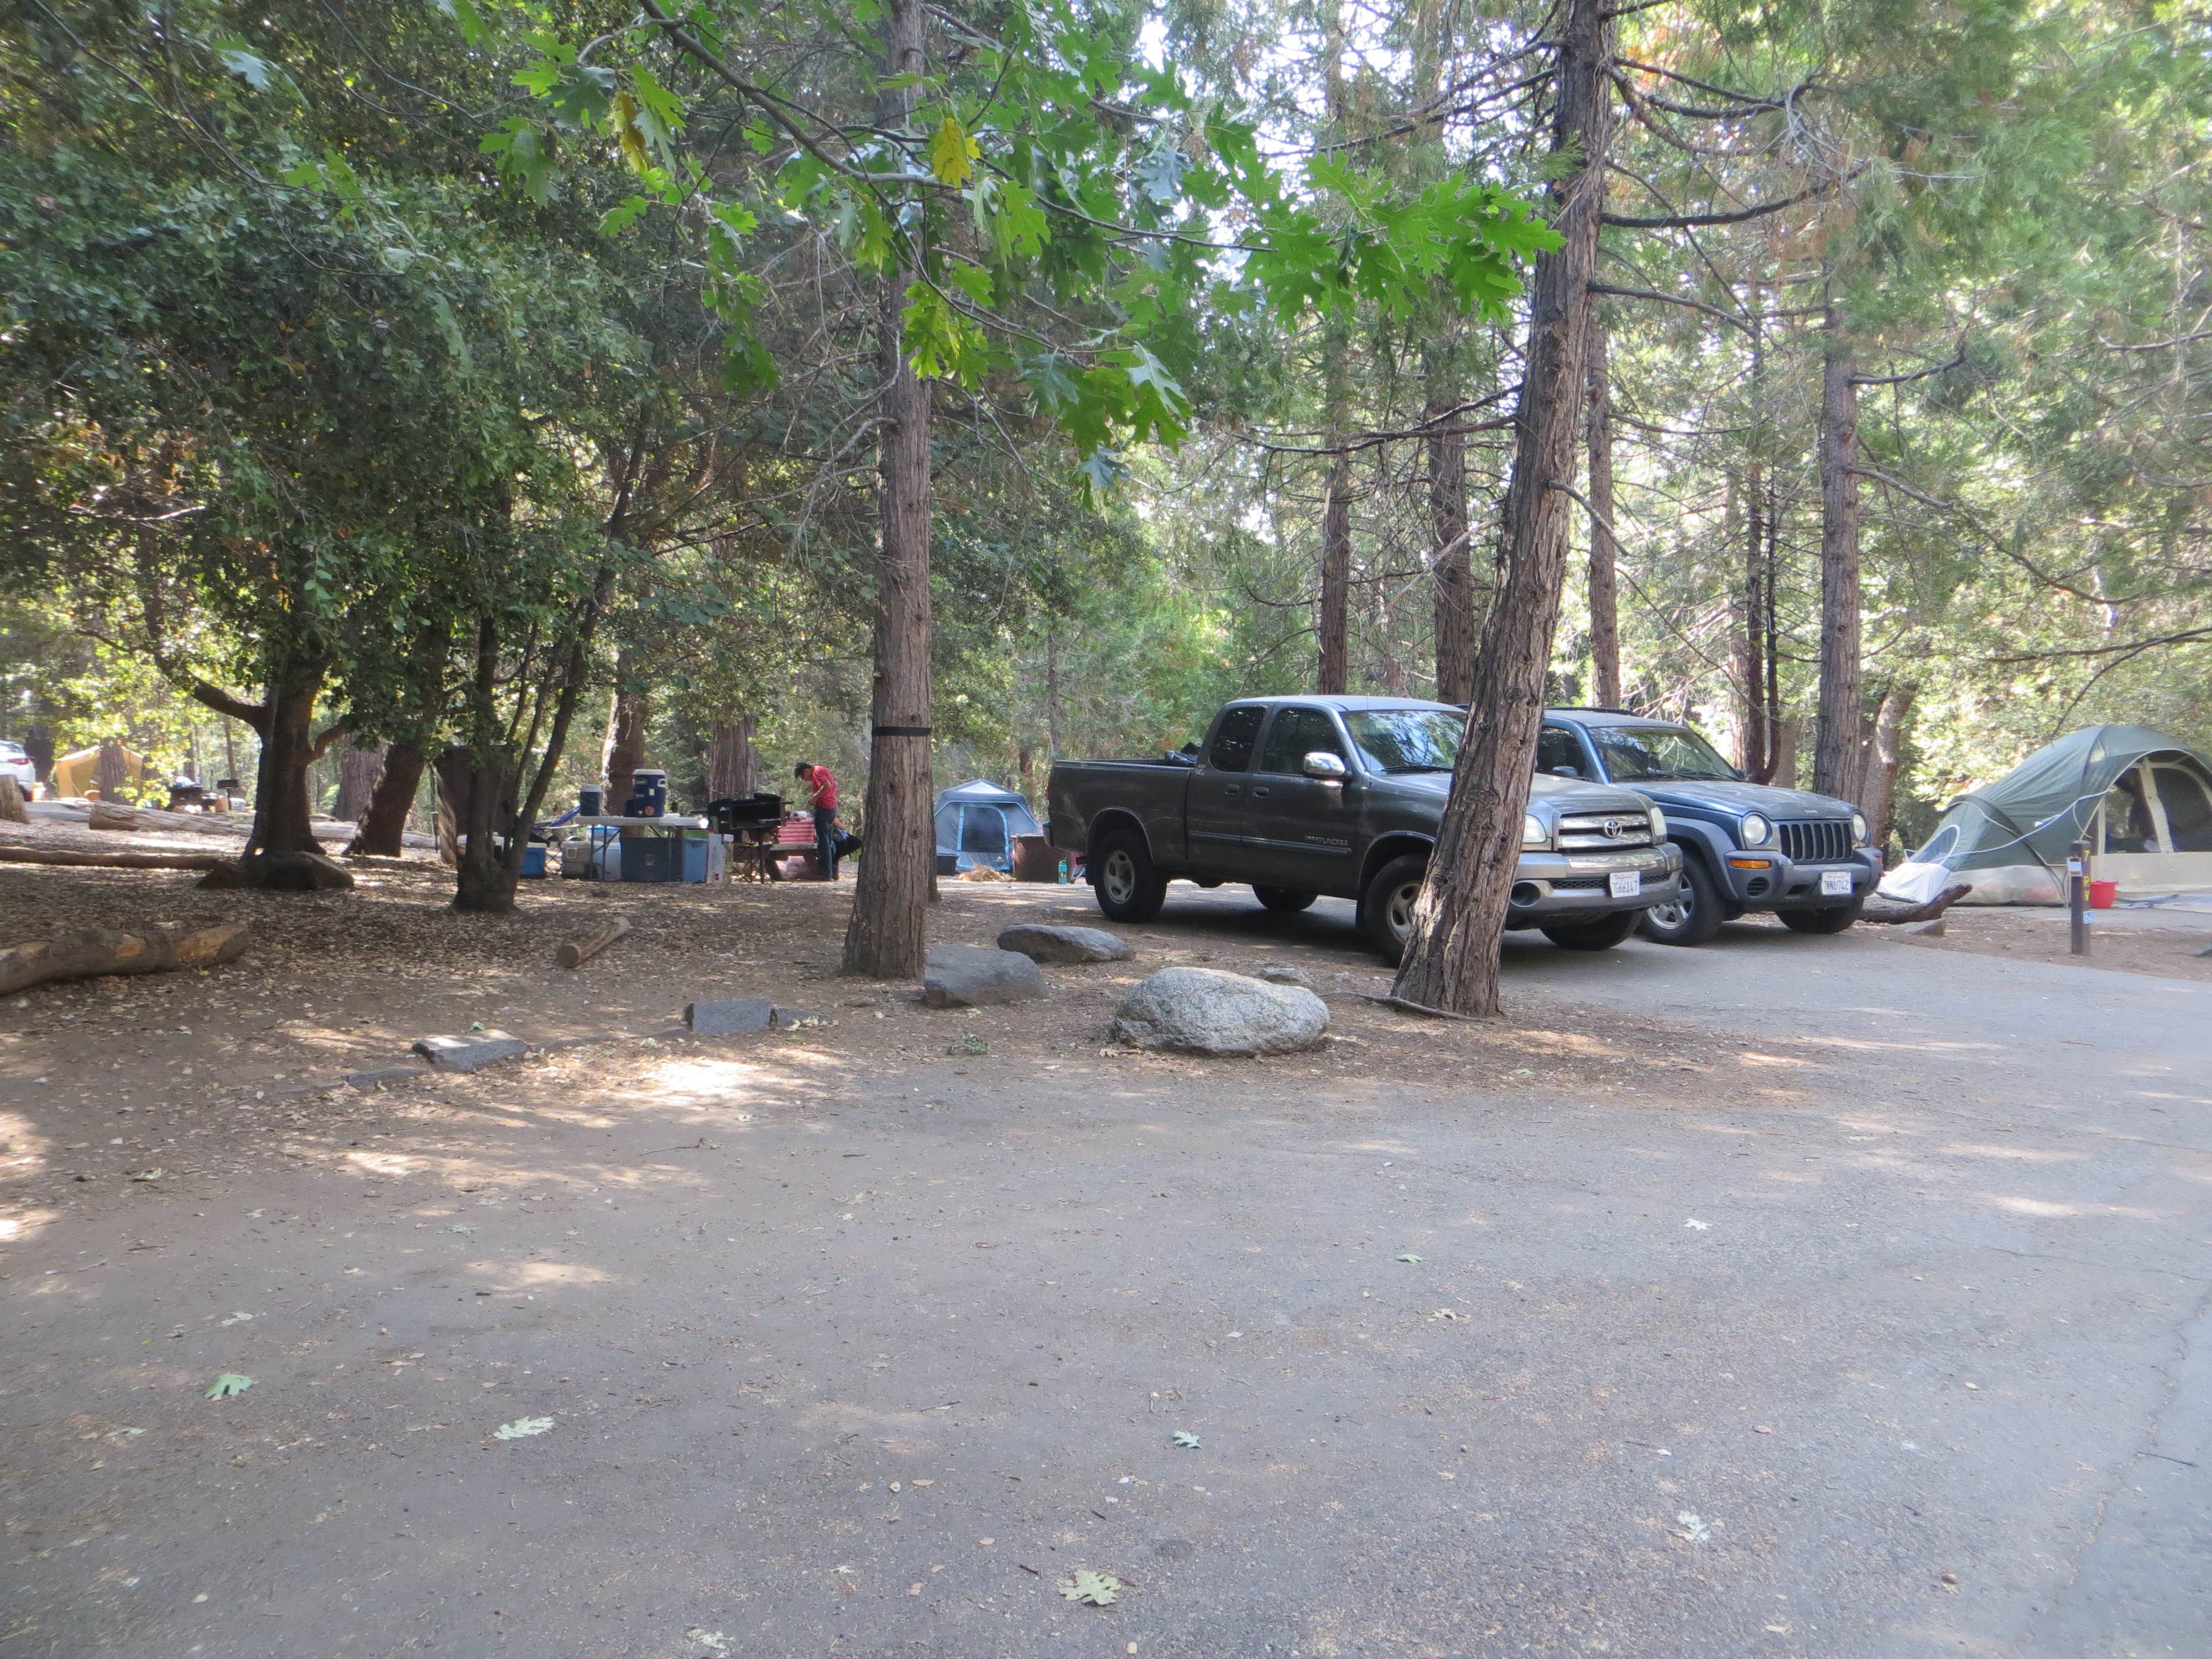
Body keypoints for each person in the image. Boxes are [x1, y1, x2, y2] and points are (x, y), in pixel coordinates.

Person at [794, 760, 841, 880]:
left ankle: (826, 873)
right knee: (828, 839)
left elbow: (828, 785)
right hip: (832, 807)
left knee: (824, 841)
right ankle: (832, 871)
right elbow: (834, 784)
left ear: (806, 771)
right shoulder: (822, 769)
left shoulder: (817, 772)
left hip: (824, 808)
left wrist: (815, 798)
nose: (805, 780)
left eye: (803, 777)